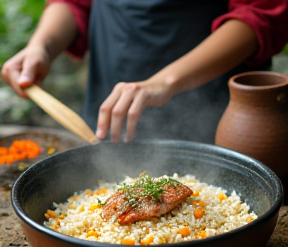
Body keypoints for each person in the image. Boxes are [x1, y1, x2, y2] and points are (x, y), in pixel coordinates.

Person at [2, 0, 288, 143]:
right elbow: (74, 2)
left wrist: (165, 82)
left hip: (214, 118)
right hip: (104, 113)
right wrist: (41, 46)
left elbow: (260, 14)